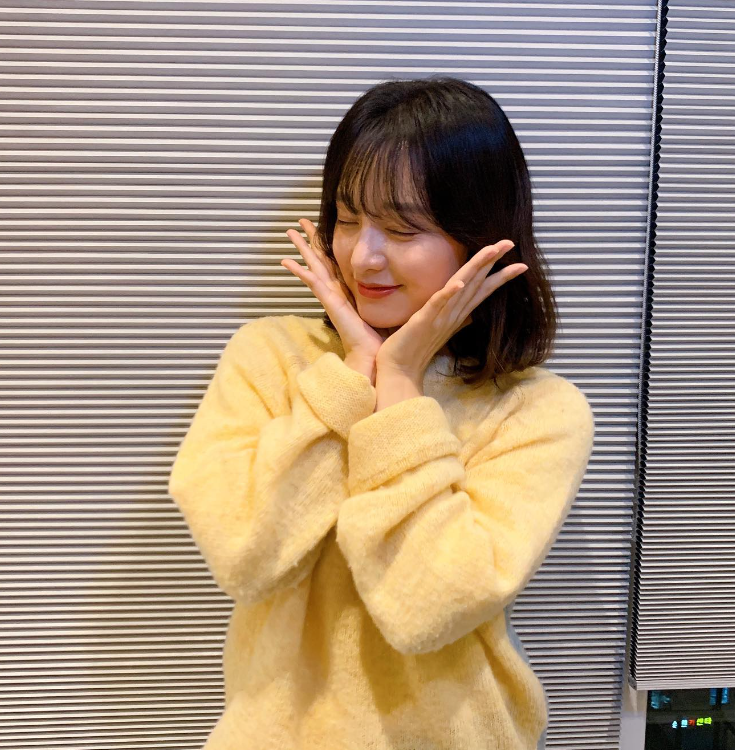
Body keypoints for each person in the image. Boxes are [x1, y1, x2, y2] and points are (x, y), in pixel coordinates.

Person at [167, 76, 595, 750]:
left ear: (483, 238)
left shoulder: (535, 411)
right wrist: (351, 376)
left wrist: (397, 382)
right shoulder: (267, 359)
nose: (363, 256)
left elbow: (428, 609)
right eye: (346, 218)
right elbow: (246, 559)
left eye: (402, 228)